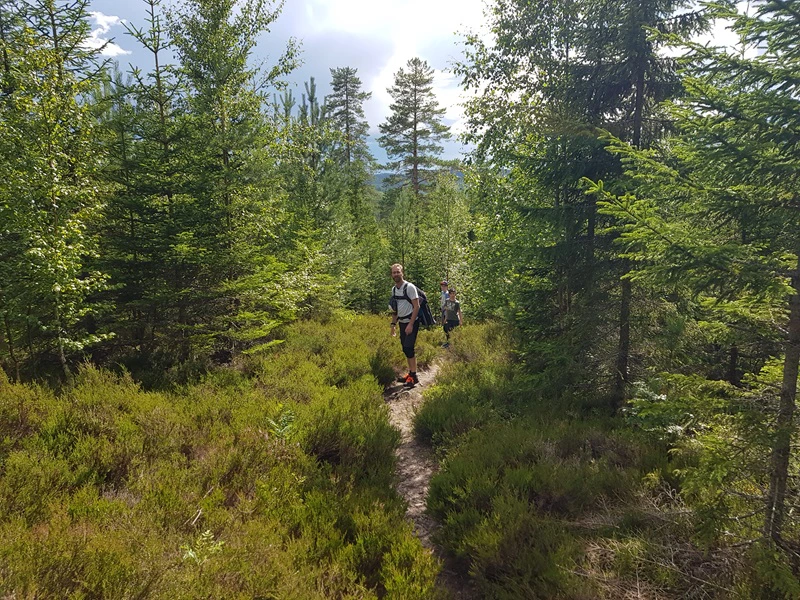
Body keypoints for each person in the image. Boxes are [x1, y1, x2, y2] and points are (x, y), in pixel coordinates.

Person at [389, 263, 420, 387]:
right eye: (394, 272)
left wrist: (411, 324)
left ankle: (413, 376)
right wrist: (393, 324)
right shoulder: (394, 289)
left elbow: (417, 306)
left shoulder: (410, 287)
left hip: (411, 322)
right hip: (402, 323)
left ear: (402, 273)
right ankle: (411, 374)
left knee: (408, 347)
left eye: (398, 272)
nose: (396, 274)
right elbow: (395, 309)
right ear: (391, 274)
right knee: (405, 349)